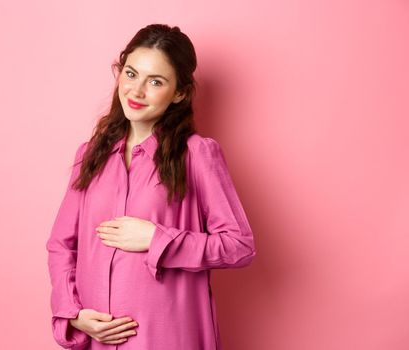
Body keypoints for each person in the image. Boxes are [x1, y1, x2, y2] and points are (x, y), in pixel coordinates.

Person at [45, 23, 256, 350]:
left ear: (180, 92)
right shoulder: (90, 155)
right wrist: (73, 312)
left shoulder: (197, 155)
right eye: (131, 74)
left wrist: (157, 240)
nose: (136, 91)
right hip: (98, 340)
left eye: (155, 81)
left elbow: (239, 245)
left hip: (168, 337)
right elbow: (61, 244)